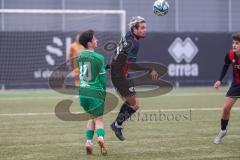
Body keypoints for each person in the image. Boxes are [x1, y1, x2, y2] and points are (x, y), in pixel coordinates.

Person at [110, 16, 159, 141]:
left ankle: (117, 125)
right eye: (142, 28)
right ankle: (117, 125)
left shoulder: (128, 36)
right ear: (134, 29)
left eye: (145, 27)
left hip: (121, 73)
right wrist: (149, 69)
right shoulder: (134, 43)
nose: (145, 30)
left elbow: (118, 53)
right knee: (135, 104)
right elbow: (132, 65)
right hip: (119, 75)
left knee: (132, 102)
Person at [77, 30, 107, 155]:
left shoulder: (80, 56)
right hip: (95, 92)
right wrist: (104, 93)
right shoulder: (99, 58)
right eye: (95, 39)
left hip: (83, 91)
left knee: (91, 117)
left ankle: (88, 142)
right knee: (99, 120)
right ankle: (100, 138)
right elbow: (102, 79)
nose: (97, 40)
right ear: (89, 43)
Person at [213, 32, 240, 144]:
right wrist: (219, 80)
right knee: (225, 108)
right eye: (233, 43)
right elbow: (225, 66)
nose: (234, 45)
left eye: (237, 43)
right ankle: (223, 130)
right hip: (236, 85)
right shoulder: (230, 55)